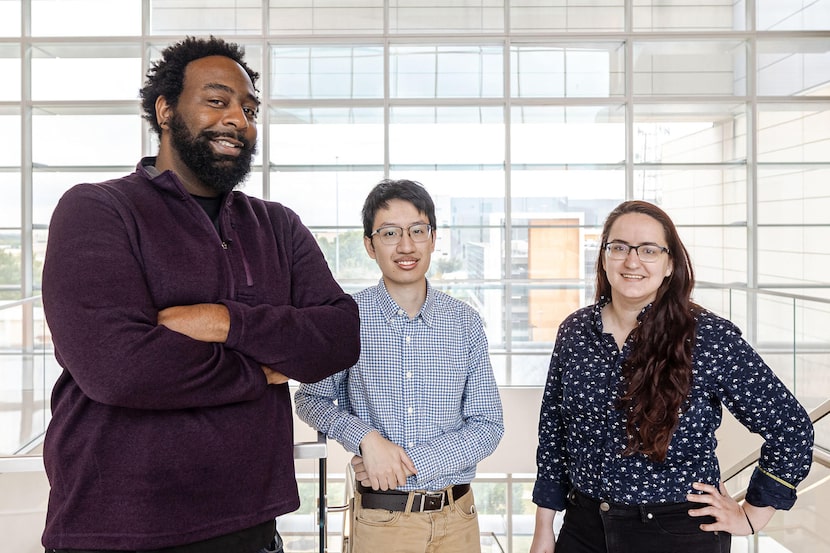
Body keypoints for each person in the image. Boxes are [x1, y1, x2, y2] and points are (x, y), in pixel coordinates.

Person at [40, 36, 361, 553]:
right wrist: (262, 369)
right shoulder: (97, 210)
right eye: (218, 101)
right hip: (119, 528)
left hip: (252, 525)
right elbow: (117, 367)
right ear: (165, 109)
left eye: (250, 108)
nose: (239, 118)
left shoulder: (277, 225)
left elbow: (341, 336)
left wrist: (223, 322)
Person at [529, 200, 814, 553]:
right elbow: (554, 432)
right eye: (619, 247)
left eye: (648, 250)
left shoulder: (707, 336)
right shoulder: (575, 331)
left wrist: (753, 515)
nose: (632, 261)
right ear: (603, 257)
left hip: (678, 531)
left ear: (670, 264)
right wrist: (544, 526)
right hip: (583, 527)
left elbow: (791, 427)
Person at [294, 179, 504, 552]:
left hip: (458, 518)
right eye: (390, 233)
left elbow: (488, 425)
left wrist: (402, 463)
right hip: (382, 522)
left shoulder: (465, 323)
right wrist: (367, 440)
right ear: (369, 245)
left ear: (433, 238)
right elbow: (311, 399)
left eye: (417, 231)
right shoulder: (347, 319)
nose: (406, 246)